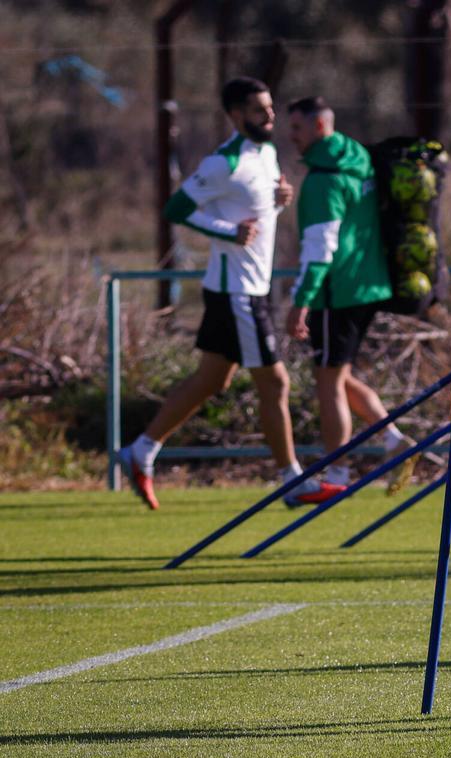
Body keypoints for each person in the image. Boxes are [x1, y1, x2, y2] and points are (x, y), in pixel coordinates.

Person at [117, 77, 331, 510]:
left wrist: (281, 199)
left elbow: (259, 206)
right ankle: (292, 481)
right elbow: (176, 209)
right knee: (274, 382)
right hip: (238, 292)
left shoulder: (267, 153)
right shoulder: (222, 162)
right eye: (258, 110)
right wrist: (227, 231)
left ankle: (141, 450)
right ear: (235, 115)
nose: (269, 116)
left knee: (212, 379)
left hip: (249, 287)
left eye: (270, 108)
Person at [285, 97, 408, 491]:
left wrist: (301, 300)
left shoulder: (325, 178)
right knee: (337, 374)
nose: (292, 137)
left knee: (328, 383)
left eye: (298, 129)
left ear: (320, 128)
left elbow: (320, 248)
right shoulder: (359, 160)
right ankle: (395, 440)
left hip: (336, 292)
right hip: (368, 285)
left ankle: (336, 473)